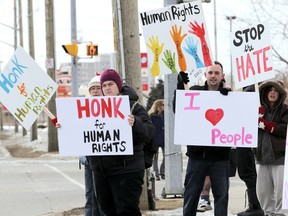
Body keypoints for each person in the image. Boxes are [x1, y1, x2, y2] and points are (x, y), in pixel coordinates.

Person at [89, 69, 155, 216]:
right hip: (101, 171)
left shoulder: (133, 107)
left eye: (110, 84)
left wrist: (135, 123)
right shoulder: (93, 110)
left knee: (127, 211)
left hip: (127, 170)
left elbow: (149, 133)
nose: (107, 88)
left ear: (118, 85)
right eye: (104, 85)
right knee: (106, 212)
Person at [173, 61, 231, 216]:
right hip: (197, 156)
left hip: (220, 157)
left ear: (222, 76)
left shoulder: (229, 96)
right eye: (210, 73)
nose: (213, 76)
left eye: (216, 73)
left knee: (222, 196)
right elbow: (178, 109)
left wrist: (228, 97)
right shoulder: (194, 91)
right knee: (191, 195)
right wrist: (179, 85)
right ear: (205, 75)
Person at [230, 84, 264, 216]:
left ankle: (255, 205)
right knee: (246, 173)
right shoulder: (248, 91)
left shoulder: (252, 91)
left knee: (249, 173)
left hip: (248, 139)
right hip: (242, 138)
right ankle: (254, 204)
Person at [256, 81, 288, 216]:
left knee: (281, 191)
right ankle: (269, 213)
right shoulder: (258, 110)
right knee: (263, 191)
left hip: (279, 157)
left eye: (276, 90)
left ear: (280, 94)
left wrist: (267, 125)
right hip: (261, 157)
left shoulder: (285, 110)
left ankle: (281, 213)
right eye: (270, 90)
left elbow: (284, 129)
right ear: (265, 93)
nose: (272, 92)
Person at [148, 99, 165, 181]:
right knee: (155, 157)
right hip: (155, 139)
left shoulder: (165, 115)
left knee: (166, 156)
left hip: (164, 139)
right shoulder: (151, 116)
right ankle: (156, 173)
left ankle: (162, 172)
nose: (164, 107)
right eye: (163, 105)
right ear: (158, 106)